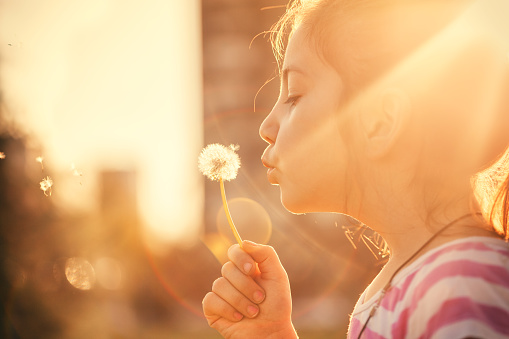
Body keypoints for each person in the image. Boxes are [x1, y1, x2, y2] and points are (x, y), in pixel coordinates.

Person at [202, 0, 509, 337]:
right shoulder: (403, 286)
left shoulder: (463, 286)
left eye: (294, 95)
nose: (266, 126)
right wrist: (273, 333)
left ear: (379, 123)